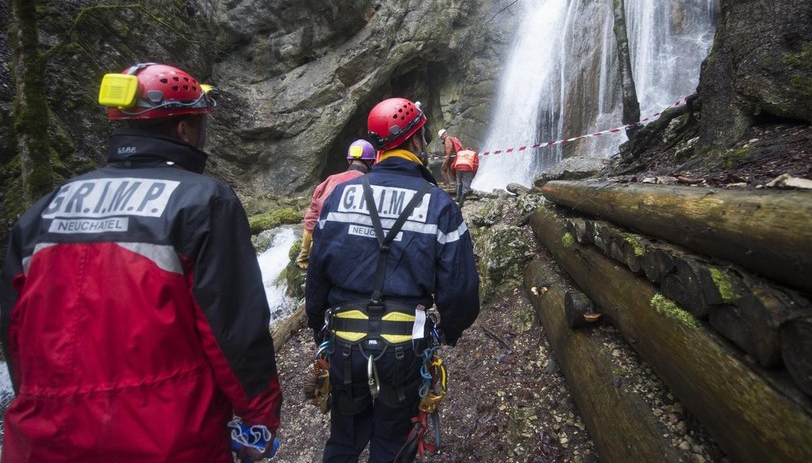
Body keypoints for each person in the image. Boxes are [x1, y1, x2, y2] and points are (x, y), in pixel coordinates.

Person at [0, 63, 283, 463]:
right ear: (184, 129)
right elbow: (232, 327)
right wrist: (260, 414)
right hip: (164, 433)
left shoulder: (44, 209)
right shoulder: (204, 201)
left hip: (42, 436)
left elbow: (14, 332)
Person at [306, 98, 479, 462]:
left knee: (343, 440)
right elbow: (461, 291)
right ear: (416, 140)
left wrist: (319, 329)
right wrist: (450, 330)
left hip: (344, 343)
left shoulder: (339, 196)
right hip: (403, 349)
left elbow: (317, 274)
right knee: (393, 444)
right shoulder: (439, 205)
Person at [296, 139, 376, 270]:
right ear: (371, 161)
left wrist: (304, 256)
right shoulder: (373, 186)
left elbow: (310, 222)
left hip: (326, 250)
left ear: (349, 160)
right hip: (358, 255)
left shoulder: (328, 182)